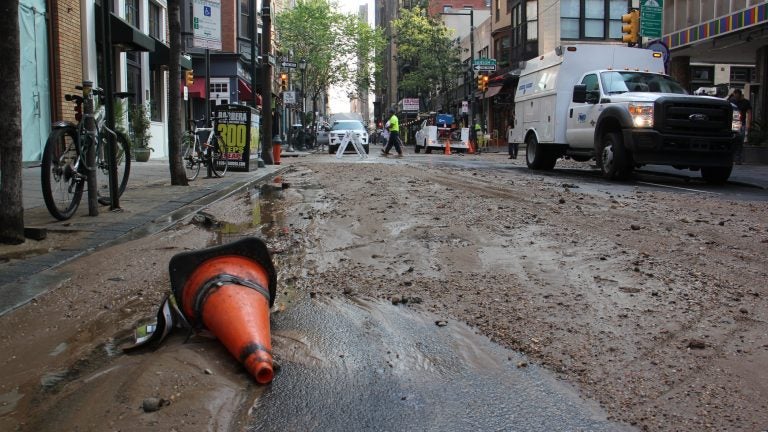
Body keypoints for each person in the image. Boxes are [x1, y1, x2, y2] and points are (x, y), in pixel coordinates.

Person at [727, 88, 751, 164]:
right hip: (733, 123)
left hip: (741, 123)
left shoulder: (745, 102)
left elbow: (749, 112)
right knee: (734, 140)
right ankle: (733, 158)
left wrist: (748, 124)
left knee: (740, 141)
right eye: (734, 96)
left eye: (736, 96)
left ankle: (738, 159)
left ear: (739, 95)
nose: (735, 97)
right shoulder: (732, 101)